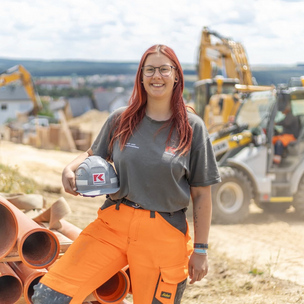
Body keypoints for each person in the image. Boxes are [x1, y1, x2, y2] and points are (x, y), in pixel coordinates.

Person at [32, 44, 221, 304]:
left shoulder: (192, 128)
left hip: (164, 233)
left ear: (176, 75)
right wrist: (70, 168)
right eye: (150, 69)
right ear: (141, 76)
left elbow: (201, 194)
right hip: (114, 224)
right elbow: (92, 153)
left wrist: (201, 249)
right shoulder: (121, 119)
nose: (157, 76)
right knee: (49, 296)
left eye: (164, 69)